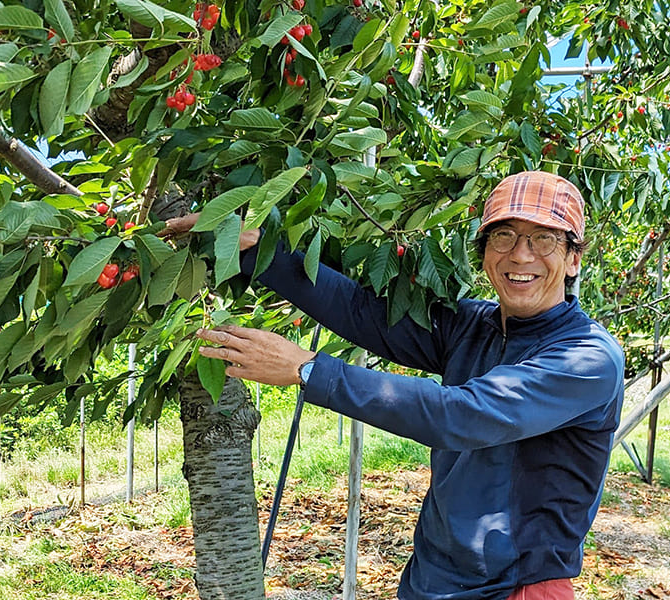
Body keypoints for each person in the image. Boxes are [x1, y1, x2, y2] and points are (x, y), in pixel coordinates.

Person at [183, 170, 625, 600]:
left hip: (515, 588)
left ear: (573, 258)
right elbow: (364, 313)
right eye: (503, 236)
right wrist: (261, 252)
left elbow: (460, 414)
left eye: (543, 239)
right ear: (486, 250)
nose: (520, 255)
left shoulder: (586, 358)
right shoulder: (474, 325)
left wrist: (308, 369)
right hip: (433, 576)